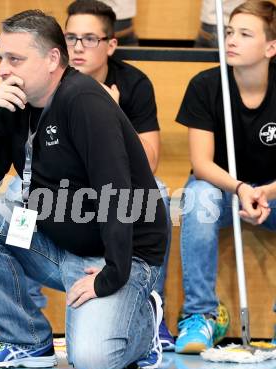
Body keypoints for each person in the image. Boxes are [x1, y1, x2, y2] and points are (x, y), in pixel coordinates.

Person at [0, 9, 168, 369]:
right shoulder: (14, 100)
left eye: (15, 59)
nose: (2, 69)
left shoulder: (84, 101)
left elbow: (118, 191)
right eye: (1, 57)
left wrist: (111, 275)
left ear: (52, 59)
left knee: (94, 362)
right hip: (54, 245)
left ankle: (144, 324)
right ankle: (25, 339)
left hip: (117, 257)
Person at [65, 0, 175, 351]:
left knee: (156, 192)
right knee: (15, 198)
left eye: (89, 39)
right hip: (68, 192)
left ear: (111, 44)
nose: (77, 47)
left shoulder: (133, 84)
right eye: (70, 38)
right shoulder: (54, 82)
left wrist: (111, 114)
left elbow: (151, 163)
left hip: (118, 190)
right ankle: (27, 330)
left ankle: (150, 306)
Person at [176, 0, 276, 354]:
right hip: (223, 189)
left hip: (271, 194)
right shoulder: (206, 85)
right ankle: (200, 315)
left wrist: (266, 190)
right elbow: (201, 163)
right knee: (198, 196)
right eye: (230, 32)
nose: (231, 40)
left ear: (271, 47)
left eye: (245, 34)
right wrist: (240, 188)